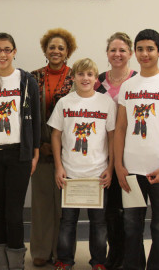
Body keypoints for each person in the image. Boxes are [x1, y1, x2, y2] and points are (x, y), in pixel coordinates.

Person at [114, 29, 159, 270]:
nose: (145, 54)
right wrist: (118, 165)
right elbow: (121, 127)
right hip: (131, 170)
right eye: (140, 49)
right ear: (135, 52)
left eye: (150, 49)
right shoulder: (128, 86)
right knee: (132, 225)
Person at [0, 32, 40, 270]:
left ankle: (16, 264)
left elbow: (36, 118)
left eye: (7, 49)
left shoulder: (26, 81)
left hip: (18, 156)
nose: (2, 54)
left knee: (14, 213)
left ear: (14, 52)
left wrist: (34, 152)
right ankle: (0, 263)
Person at [49, 58, 116, 270]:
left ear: (96, 78)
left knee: (99, 223)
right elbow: (56, 135)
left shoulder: (106, 103)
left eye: (90, 74)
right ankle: (65, 260)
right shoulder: (64, 103)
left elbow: (113, 137)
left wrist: (111, 168)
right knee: (68, 222)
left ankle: (98, 262)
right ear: (73, 77)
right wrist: (59, 167)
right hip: (70, 174)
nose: (85, 78)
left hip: (97, 175)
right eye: (81, 74)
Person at [30, 28, 76, 267]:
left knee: (64, 204)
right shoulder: (32, 77)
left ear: (68, 51)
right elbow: (24, 115)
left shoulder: (77, 76)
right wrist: (38, 145)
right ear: (45, 50)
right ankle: (40, 250)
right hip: (39, 146)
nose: (56, 51)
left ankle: (62, 251)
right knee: (41, 202)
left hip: (69, 148)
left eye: (61, 47)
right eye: (52, 47)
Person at [94, 32, 137, 270]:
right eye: (113, 50)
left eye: (122, 50)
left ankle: (129, 256)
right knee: (110, 210)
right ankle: (114, 255)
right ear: (107, 53)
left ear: (130, 53)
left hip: (132, 154)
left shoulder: (139, 81)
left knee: (129, 212)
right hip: (104, 154)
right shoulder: (97, 81)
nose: (117, 54)